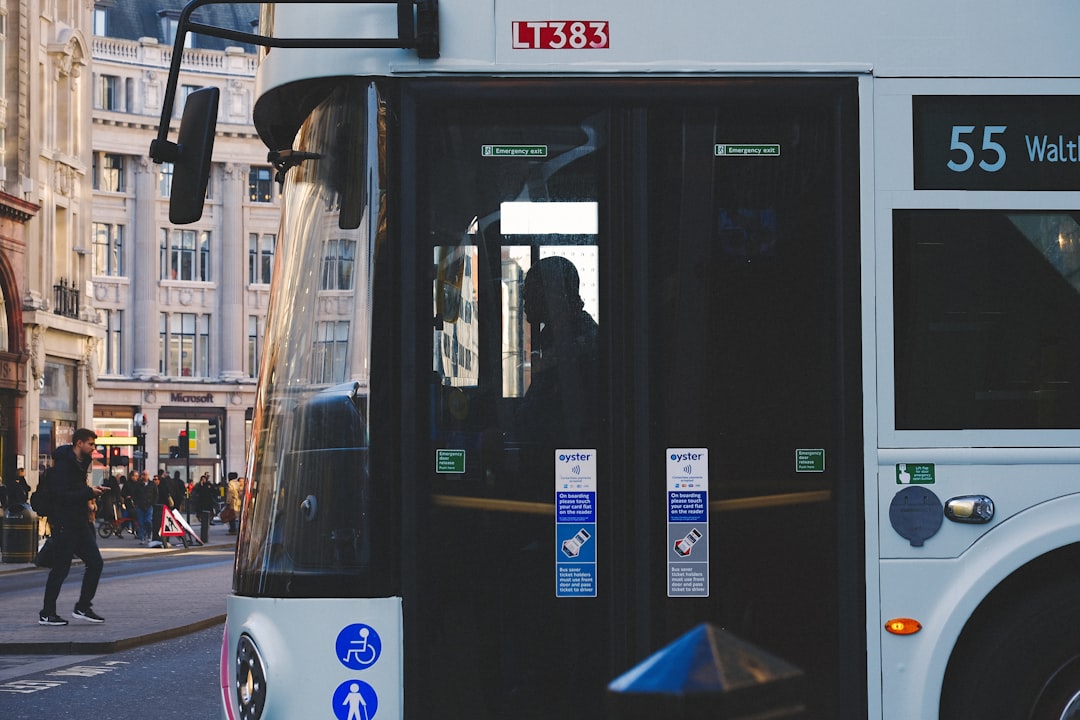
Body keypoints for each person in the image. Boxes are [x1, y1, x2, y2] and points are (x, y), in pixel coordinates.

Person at [515, 255, 600, 447]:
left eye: (530, 290)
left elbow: (540, 410)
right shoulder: (565, 333)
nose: (524, 298)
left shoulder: (573, 340)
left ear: (551, 293)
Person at [39, 428, 107, 626]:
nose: (93, 449)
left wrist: (91, 495)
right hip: (64, 523)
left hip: (79, 523)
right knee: (61, 569)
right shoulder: (63, 467)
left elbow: (77, 491)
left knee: (95, 563)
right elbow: (61, 496)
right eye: (90, 444)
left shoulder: (81, 463)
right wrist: (88, 493)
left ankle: (83, 607)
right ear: (79, 443)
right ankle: (47, 612)